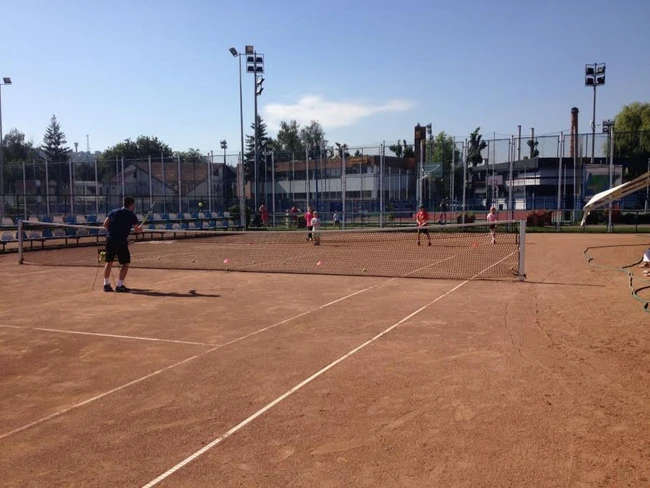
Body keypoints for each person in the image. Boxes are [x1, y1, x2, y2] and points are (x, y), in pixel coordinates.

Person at [102, 197, 143, 292]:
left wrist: (113, 231)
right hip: (121, 241)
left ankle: (106, 284)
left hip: (110, 239)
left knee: (108, 262)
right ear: (132, 205)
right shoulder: (132, 215)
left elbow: (105, 224)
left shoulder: (113, 211)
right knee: (125, 263)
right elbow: (137, 230)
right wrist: (140, 229)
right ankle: (119, 285)